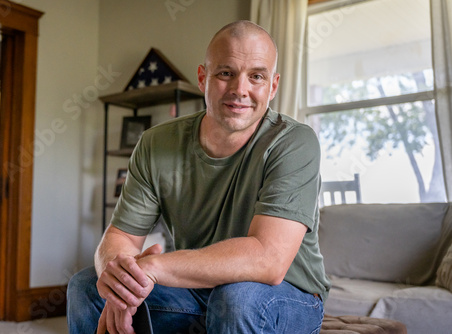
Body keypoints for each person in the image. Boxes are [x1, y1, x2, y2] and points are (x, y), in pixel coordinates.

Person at [67, 20, 330, 334]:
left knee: (237, 298)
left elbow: (267, 260)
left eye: (256, 76)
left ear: (272, 87)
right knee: (88, 286)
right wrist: (122, 280)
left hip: (289, 296)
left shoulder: (294, 142)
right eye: (225, 73)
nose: (240, 90)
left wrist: (153, 267)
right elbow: (120, 237)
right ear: (203, 78)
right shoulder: (155, 144)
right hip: (200, 290)